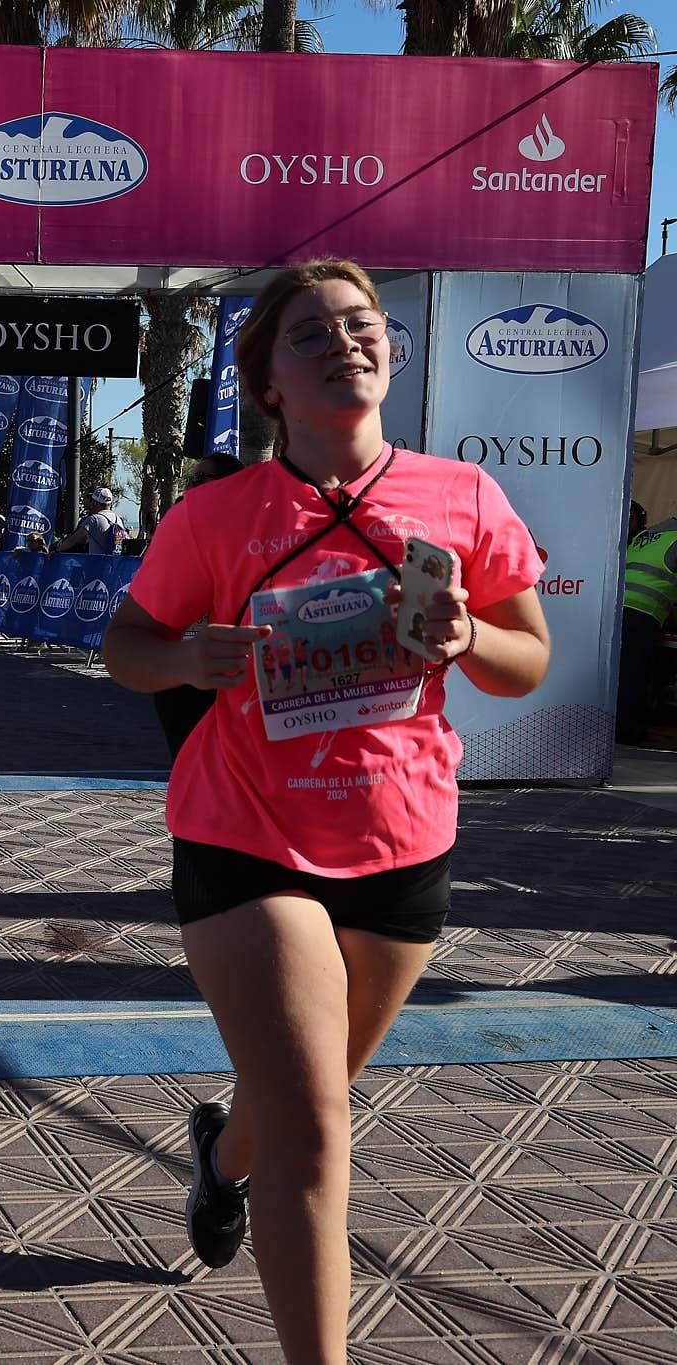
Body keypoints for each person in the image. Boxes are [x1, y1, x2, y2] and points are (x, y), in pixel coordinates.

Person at [101, 259, 550, 1365]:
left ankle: (220, 1161)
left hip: (401, 839)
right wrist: (185, 658)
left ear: (389, 350)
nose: (345, 342)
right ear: (266, 384)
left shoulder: (462, 495)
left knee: (305, 1093)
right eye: (310, 333)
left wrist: (465, 638)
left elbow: (527, 660)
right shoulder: (216, 514)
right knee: (314, 1126)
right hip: (246, 833)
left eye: (361, 325)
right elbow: (126, 647)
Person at [150, 453, 248, 761]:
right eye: (190, 478)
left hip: (228, 666)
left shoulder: (251, 532)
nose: (190, 486)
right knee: (184, 756)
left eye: (199, 478)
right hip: (180, 662)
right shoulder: (179, 519)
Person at [619, 511, 677, 745]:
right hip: (643, 612)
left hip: (617, 609)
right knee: (635, 675)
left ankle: (620, 729)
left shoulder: (650, 534)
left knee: (622, 673)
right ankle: (627, 733)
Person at [55, 488, 129, 555]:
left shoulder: (93, 519)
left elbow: (73, 540)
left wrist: (56, 550)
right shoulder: (118, 519)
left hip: (96, 563)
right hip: (114, 563)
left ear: (95, 503)